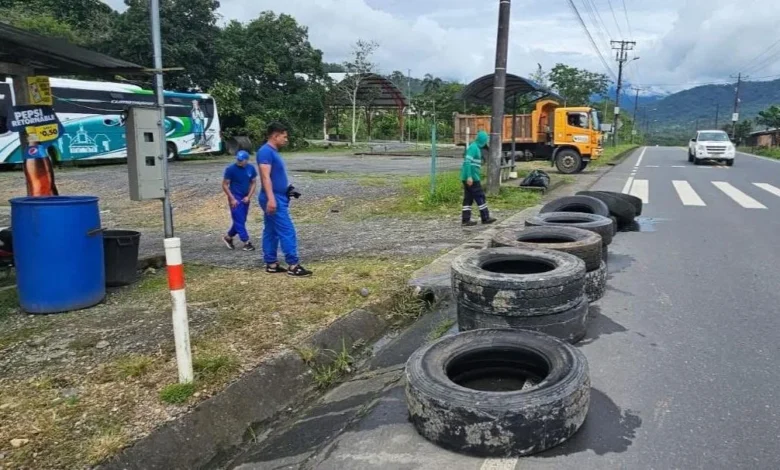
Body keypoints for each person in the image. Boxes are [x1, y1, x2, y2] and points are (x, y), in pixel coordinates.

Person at [256, 122, 312, 277]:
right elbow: (265, 177)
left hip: (278, 195)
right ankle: (293, 265)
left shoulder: (272, 152)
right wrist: (271, 198)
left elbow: (275, 177)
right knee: (287, 230)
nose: (286, 139)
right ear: (275, 136)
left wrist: (286, 190)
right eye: (284, 136)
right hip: (273, 197)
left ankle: (271, 264)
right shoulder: (265, 152)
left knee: (271, 230)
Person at [222, 150, 257, 251]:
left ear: (246, 160)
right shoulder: (230, 169)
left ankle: (228, 237)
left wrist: (248, 196)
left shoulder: (251, 168)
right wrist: (232, 198)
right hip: (235, 196)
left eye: (241, 160)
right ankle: (246, 242)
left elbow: (253, 182)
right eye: (238, 159)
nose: (239, 162)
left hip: (245, 196)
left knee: (241, 220)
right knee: (239, 220)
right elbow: (225, 185)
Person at [460, 130, 496, 226]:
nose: (486, 142)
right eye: (486, 140)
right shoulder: (474, 148)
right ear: (482, 140)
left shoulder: (475, 147)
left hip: (469, 177)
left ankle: (465, 220)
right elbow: (467, 162)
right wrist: (469, 176)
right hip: (472, 178)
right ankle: (485, 217)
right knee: (480, 196)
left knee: (468, 198)